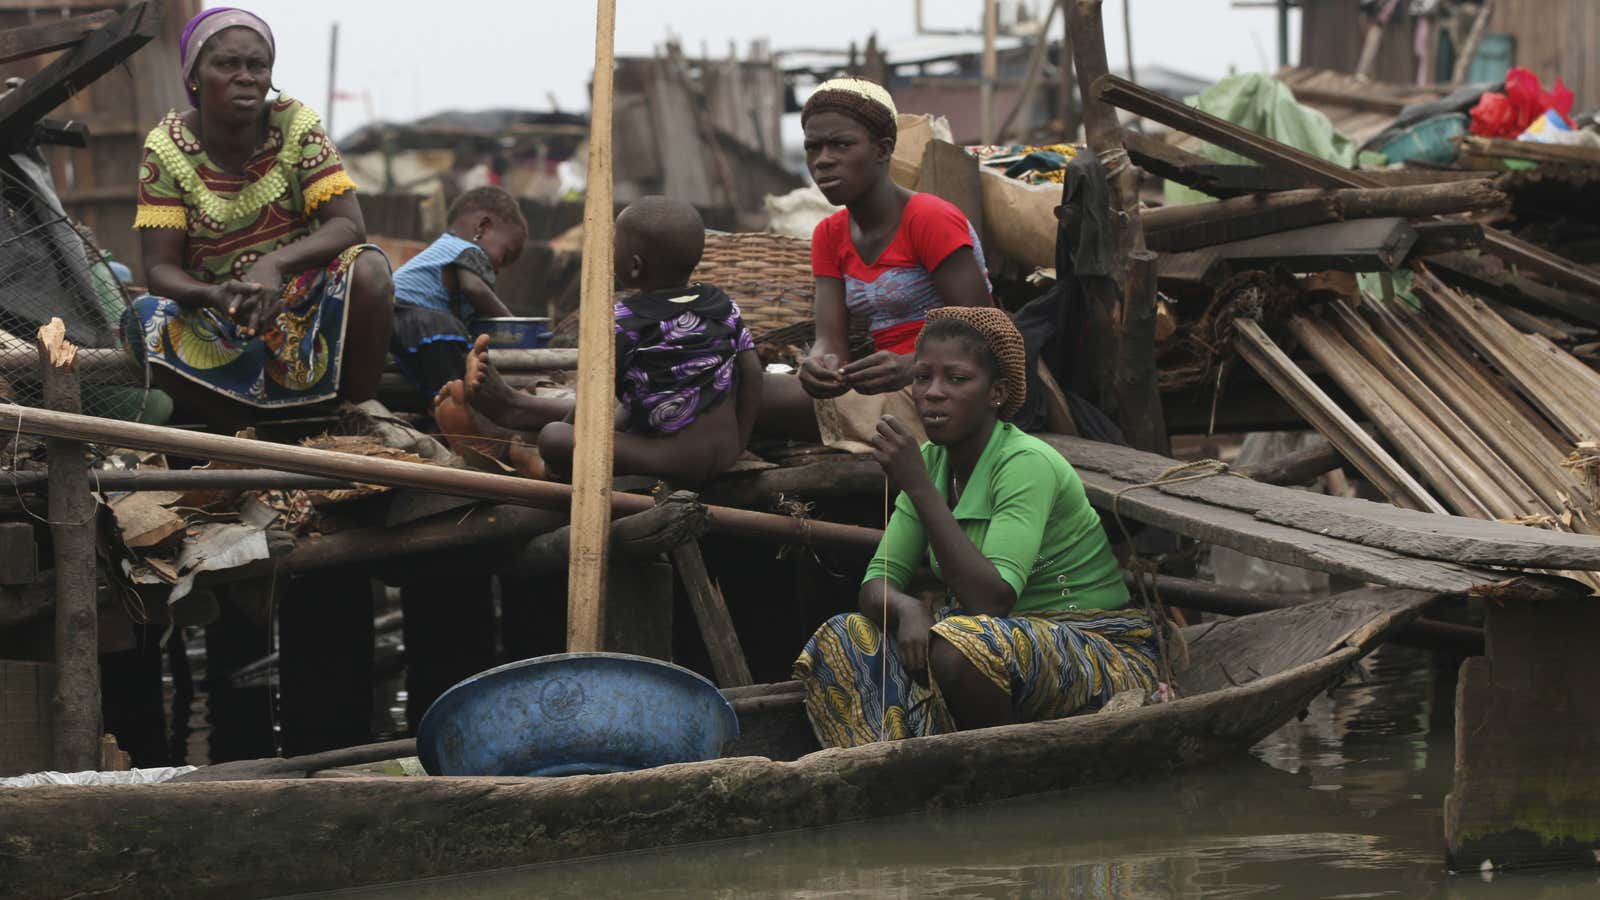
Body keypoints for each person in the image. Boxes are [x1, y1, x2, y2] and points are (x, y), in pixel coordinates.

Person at [792, 306, 1162, 748]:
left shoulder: (1025, 463)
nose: (933, 393)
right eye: (923, 377)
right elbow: (876, 586)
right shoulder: (931, 461)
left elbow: (992, 599)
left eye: (957, 379)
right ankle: (891, 764)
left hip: (1095, 646)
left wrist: (918, 487)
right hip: (993, 642)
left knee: (962, 644)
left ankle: (992, 761)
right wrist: (907, 607)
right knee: (843, 635)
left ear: (996, 393)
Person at [125, 7, 393, 429]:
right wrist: (216, 297)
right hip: (217, 316)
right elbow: (160, 268)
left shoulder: (295, 125)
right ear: (194, 77)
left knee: (371, 269)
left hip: (301, 305)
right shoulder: (167, 148)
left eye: (258, 65)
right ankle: (253, 431)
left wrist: (274, 265)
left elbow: (348, 225)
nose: (246, 76)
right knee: (142, 320)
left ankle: (358, 416)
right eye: (227, 64)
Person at [433, 196, 763, 486]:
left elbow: (593, 400)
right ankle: (510, 413)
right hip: (723, 451)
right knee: (630, 404)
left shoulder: (624, 321)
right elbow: (751, 373)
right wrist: (738, 442)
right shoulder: (721, 304)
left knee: (556, 437)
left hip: (671, 458)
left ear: (634, 266)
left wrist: (567, 439)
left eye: (615, 245)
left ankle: (544, 467)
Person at [761, 77, 993, 451]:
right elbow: (830, 339)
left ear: (883, 149)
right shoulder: (828, 234)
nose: (822, 160)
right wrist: (820, 366)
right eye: (813, 147)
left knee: (753, 395)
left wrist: (913, 365)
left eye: (841, 144)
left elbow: (984, 330)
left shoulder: (928, 218)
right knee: (740, 386)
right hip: (882, 385)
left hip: (943, 390)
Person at [390, 186, 528, 398]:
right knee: (453, 335)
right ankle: (458, 405)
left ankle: (438, 406)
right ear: (483, 227)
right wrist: (515, 326)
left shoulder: (444, 247)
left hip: (395, 321)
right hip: (414, 317)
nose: (499, 269)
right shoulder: (469, 251)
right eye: (506, 254)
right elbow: (475, 290)